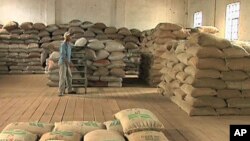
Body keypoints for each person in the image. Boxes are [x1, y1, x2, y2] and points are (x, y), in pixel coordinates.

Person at [58, 32, 76, 96]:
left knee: (69, 76)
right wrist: (69, 63)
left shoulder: (69, 45)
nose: (71, 37)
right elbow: (63, 56)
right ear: (67, 37)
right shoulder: (63, 45)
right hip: (63, 62)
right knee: (62, 77)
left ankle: (69, 90)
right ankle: (61, 91)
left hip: (67, 62)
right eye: (70, 36)